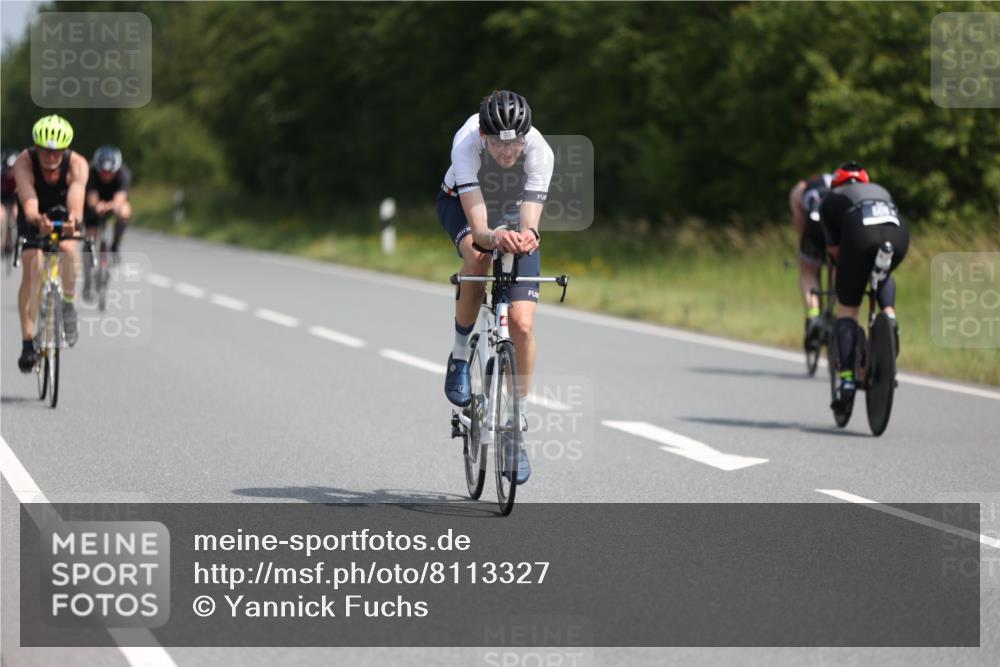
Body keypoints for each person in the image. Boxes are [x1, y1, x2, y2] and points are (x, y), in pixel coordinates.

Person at [437, 90, 554, 485]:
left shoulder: (540, 151)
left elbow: (531, 222)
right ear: (484, 136)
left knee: (521, 325)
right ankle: (459, 356)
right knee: (479, 256)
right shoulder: (466, 143)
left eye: (515, 143)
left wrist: (528, 236)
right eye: (500, 144)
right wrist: (493, 237)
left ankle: (514, 425)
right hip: (463, 205)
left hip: (512, 208)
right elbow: (481, 228)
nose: (508, 152)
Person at [819, 161, 909, 410]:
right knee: (883, 271)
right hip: (898, 234)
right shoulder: (881, 191)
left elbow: (835, 252)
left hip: (860, 232)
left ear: (836, 183)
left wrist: (846, 278)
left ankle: (847, 381)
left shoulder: (830, 199)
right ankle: (889, 316)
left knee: (847, 310)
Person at [13, 115, 89, 372]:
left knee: (68, 249)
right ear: (37, 147)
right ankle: (27, 342)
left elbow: (76, 200)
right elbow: (29, 200)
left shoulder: (78, 164)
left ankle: (67, 303)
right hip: (33, 213)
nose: (51, 157)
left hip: (63, 211)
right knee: (32, 265)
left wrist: (73, 221)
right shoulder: (24, 162)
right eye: (45, 150)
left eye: (57, 151)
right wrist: (36, 219)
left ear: (65, 149)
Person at [83, 145, 132, 301]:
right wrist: (97, 206)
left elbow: (120, 197)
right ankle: (88, 276)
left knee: (125, 211)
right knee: (91, 237)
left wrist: (111, 206)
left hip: (113, 201)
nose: (106, 176)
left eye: (110, 173)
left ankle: (115, 245)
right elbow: (91, 197)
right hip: (94, 205)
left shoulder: (124, 173)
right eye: (103, 173)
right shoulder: (90, 172)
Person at [788, 172, 832, 342]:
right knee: (840, 267)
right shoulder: (845, 185)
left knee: (808, 271)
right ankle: (833, 310)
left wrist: (806, 251)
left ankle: (813, 314)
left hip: (814, 225)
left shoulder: (802, 188)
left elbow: (800, 225)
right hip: (839, 226)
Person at [1, 149, 19, 260]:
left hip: (14, 200)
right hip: (2, 199)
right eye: (8, 168)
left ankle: (15, 239)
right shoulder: (1, 176)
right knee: (2, 217)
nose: (10, 171)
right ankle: (3, 242)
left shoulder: (19, 177)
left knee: (15, 214)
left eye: (12, 168)